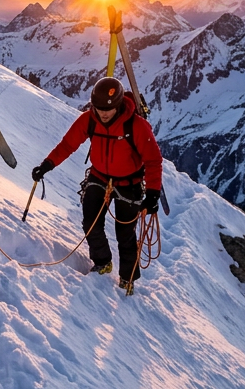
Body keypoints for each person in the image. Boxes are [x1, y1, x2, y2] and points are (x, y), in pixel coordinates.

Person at [32, 77, 162, 293]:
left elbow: (153, 159)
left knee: (125, 233)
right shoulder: (89, 119)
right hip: (99, 176)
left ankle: (127, 278)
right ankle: (103, 261)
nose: (103, 113)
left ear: (119, 104)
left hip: (130, 183)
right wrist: (47, 165)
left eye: (107, 109)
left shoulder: (136, 126)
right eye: (98, 108)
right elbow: (68, 144)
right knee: (91, 223)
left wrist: (153, 193)